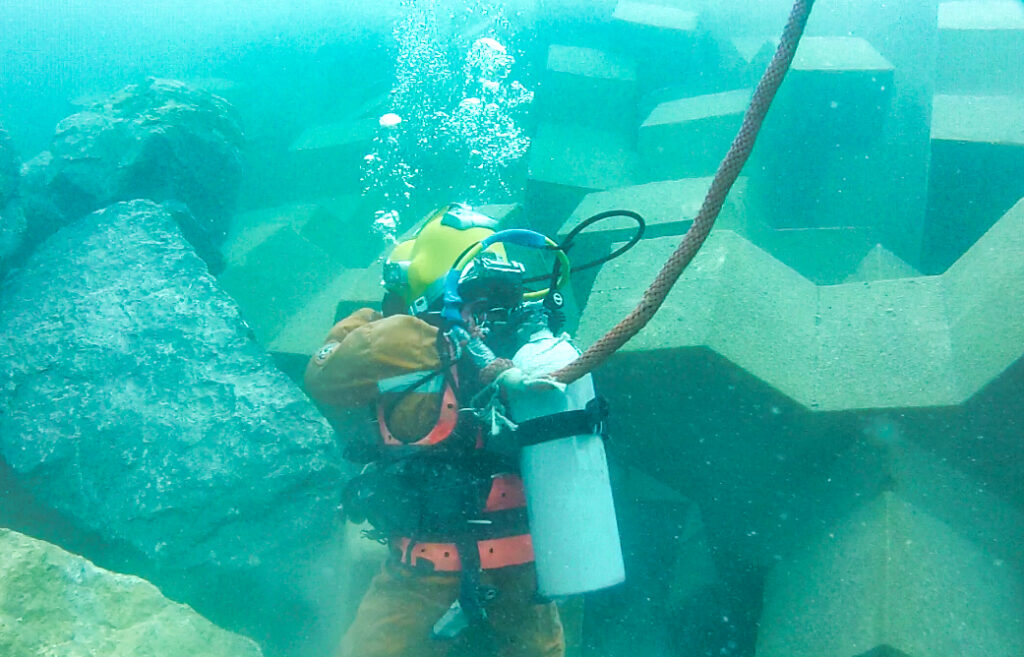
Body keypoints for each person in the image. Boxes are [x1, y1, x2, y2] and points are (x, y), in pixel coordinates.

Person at [305, 204, 567, 657]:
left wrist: (370, 315)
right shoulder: (530, 340)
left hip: (425, 569)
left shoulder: (395, 338)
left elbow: (322, 377)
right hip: (524, 566)